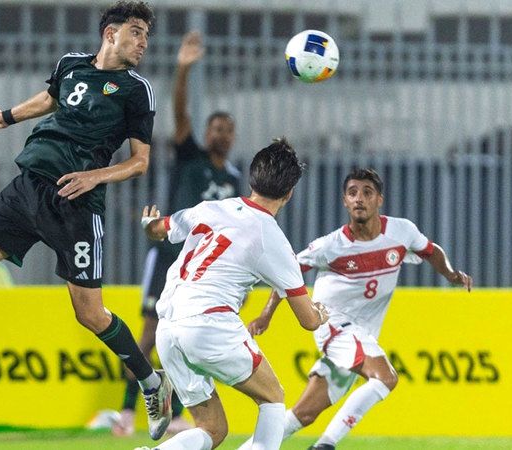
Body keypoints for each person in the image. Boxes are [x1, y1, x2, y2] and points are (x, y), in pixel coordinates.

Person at [0, 1, 175, 440]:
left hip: (76, 204)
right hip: (27, 188)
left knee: (89, 313)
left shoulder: (136, 90)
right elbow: (50, 100)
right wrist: (7, 115)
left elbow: (141, 162)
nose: (144, 42)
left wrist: (94, 176)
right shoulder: (70, 64)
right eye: (137, 32)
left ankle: (150, 382)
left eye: (146, 34)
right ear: (111, 34)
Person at [239, 168, 473, 450]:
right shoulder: (331, 245)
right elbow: (288, 273)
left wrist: (451, 275)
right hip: (332, 324)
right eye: (352, 193)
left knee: (304, 414)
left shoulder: (401, 232)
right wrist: (266, 315)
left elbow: (430, 250)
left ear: (379, 200)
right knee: (386, 378)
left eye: (367, 192)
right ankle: (325, 446)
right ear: (345, 202)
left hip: (361, 333)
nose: (359, 198)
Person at [135, 138, 329, 450]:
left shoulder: (212, 207)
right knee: (273, 398)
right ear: (289, 193)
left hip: (168, 329)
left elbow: (157, 228)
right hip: (208, 325)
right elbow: (308, 320)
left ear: (253, 177)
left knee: (213, 429)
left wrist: (148, 225)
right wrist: (321, 313)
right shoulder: (272, 238)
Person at [113, 30, 240, 437]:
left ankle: (182, 413)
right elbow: (180, 115)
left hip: (204, 270)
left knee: (193, 337)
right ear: (206, 133)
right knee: (149, 335)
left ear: (233, 137)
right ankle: (128, 412)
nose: (220, 133)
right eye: (215, 127)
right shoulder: (191, 158)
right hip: (170, 255)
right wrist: (183, 69)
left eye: (227, 128)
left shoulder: (236, 180)